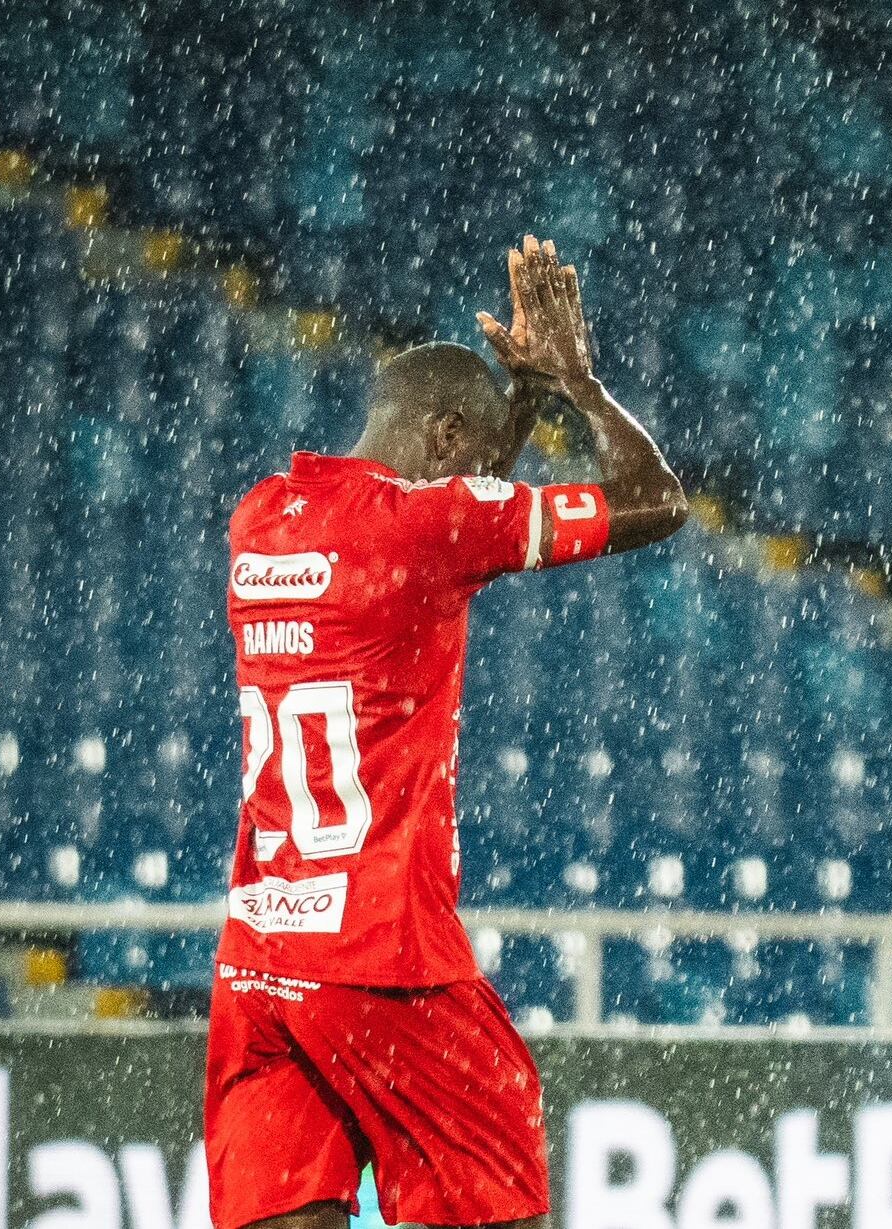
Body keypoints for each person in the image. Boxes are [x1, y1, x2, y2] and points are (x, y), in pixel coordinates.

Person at [204, 236, 687, 1229]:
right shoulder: (428, 531)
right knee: (499, 1206)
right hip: (383, 955)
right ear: (445, 440)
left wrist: (514, 397)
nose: (488, 479)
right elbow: (657, 503)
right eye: (475, 456)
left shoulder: (265, 516)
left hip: (261, 958)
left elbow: (443, 517)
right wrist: (577, 387)